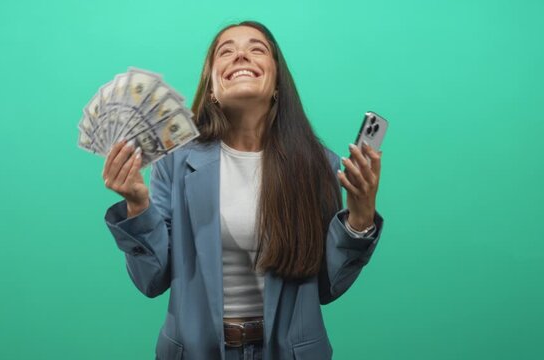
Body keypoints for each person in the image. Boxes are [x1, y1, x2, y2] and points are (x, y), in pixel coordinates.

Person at [102, 20, 384, 360]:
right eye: (226, 51)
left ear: (277, 82)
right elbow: (151, 279)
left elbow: (328, 286)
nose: (240, 56)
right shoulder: (173, 163)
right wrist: (137, 206)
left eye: (256, 49)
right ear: (211, 89)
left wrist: (360, 216)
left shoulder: (317, 163)